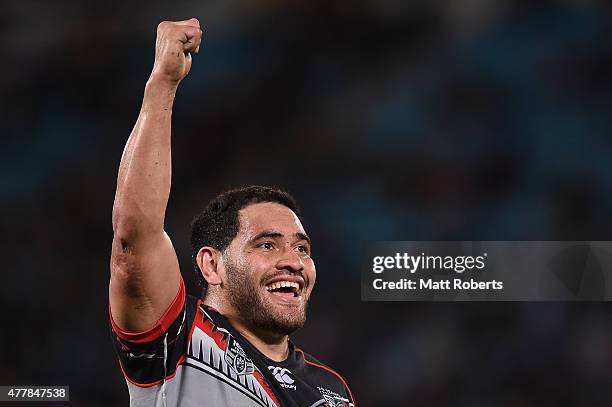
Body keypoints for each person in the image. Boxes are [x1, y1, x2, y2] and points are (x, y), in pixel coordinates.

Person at [108, 18, 355, 407]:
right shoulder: (180, 339)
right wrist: (163, 84)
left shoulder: (333, 391)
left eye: (302, 249)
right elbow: (134, 239)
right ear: (212, 265)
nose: (293, 261)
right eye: (267, 245)